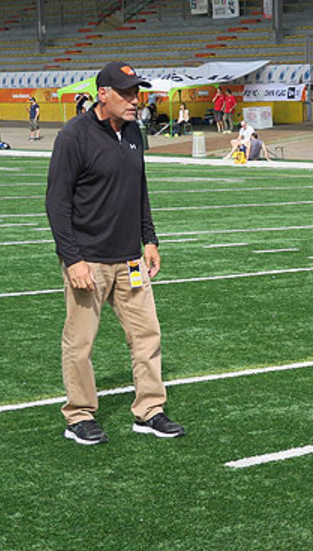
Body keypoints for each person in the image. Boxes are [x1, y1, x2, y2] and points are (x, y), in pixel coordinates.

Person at [45, 61, 185, 445]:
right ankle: (78, 415)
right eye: (126, 93)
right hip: (88, 259)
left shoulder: (134, 132)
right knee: (80, 342)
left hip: (130, 260)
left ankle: (150, 410)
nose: (134, 100)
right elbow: (56, 203)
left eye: (136, 93)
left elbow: (138, 189)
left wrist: (149, 239)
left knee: (147, 336)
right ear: (101, 94)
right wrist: (72, 259)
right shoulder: (73, 136)